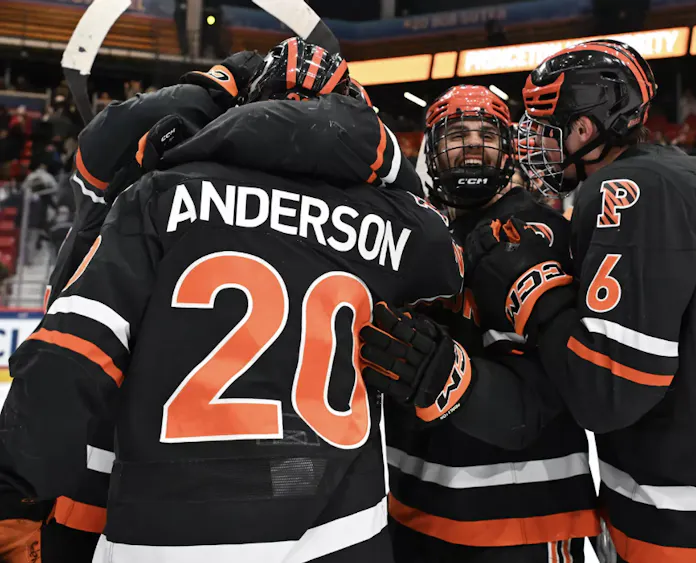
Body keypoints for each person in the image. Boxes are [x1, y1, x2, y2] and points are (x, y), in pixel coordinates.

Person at [0, 38, 463, 563]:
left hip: (168, 539)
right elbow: (446, 257)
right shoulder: (391, 224)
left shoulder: (159, 193)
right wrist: (369, 142)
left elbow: (72, 350)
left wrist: (15, 488)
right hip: (340, 536)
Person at [460, 39, 696, 562]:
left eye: (546, 124)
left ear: (586, 128)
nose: (535, 140)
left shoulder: (627, 187)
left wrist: (534, 291)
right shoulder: (675, 168)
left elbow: (611, 388)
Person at [0, 49, 265, 563]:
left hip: (111, 472)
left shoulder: (141, 202)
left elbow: (70, 346)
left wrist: (18, 489)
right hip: (228, 496)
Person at [359, 84, 599, 562]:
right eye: (456, 134)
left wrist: (447, 378)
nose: (471, 144)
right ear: (431, 152)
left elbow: (556, 390)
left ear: (509, 150)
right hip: (417, 508)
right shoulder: (416, 235)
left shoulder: (540, 233)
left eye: (485, 134)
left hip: (521, 519)